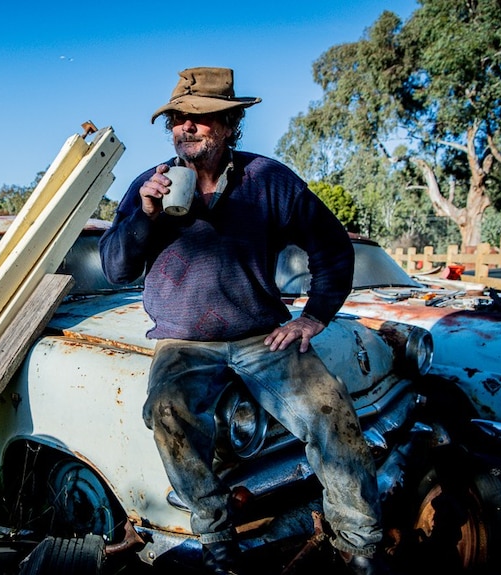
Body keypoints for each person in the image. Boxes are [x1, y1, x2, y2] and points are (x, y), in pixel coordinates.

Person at [99, 67, 387, 575]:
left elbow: (332, 246)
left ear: (231, 124)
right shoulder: (151, 185)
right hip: (183, 344)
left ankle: (359, 545)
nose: (186, 127)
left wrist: (315, 315)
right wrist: (145, 213)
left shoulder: (268, 180)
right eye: (177, 119)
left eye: (201, 119)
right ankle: (218, 544)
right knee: (168, 411)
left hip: (262, 336)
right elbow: (116, 268)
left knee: (331, 412)